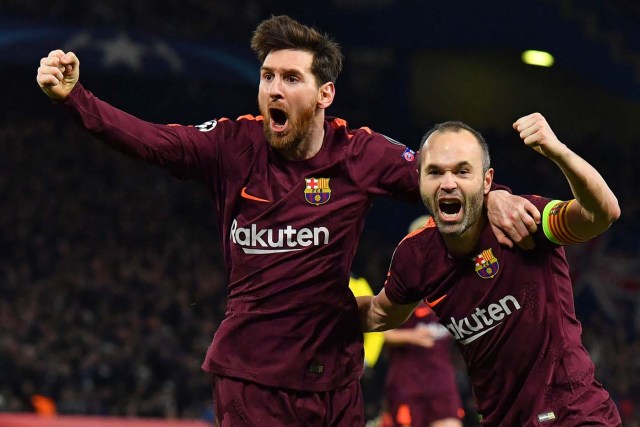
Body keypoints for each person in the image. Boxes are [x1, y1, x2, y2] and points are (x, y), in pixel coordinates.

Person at [36, 15, 539, 426]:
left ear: (325, 94)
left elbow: (442, 179)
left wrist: (493, 196)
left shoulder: (360, 154)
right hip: (251, 382)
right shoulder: (233, 144)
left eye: (291, 78)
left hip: (335, 383)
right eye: (268, 76)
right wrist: (76, 99)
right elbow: (154, 141)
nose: (274, 90)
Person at [357, 113, 622, 426]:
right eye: (435, 172)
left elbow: (601, 213)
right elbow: (377, 313)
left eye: (462, 171)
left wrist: (558, 151)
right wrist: (303, 302)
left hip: (573, 414)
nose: (448, 183)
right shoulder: (415, 256)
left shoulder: (520, 218)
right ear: (419, 181)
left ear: (486, 180)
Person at [381, 215, 464, 427]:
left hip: (442, 381)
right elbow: (379, 332)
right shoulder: (401, 289)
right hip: (409, 384)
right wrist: (413, 336)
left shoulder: (453, 289)